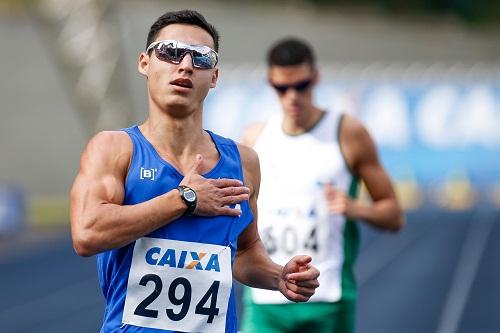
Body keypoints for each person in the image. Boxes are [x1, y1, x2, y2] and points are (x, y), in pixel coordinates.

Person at [70, 11, 320, 333]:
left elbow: (244, 250)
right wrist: (185, 199)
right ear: (145, 63)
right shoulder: (114, 149)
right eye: (171, 52)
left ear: (214, 77)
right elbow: (87, 234)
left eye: (201, 57)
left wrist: (278, 276)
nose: (185, 65)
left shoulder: (243, 162)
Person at [240, 38, 404, 333]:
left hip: (328, 299)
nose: (292, 96)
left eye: (301, 86)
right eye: (281, 88)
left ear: (315, 77)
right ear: (270, 82)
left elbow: (394, 216)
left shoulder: (348, 133)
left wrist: (357, 209)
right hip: (267, 300)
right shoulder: (254, 139)